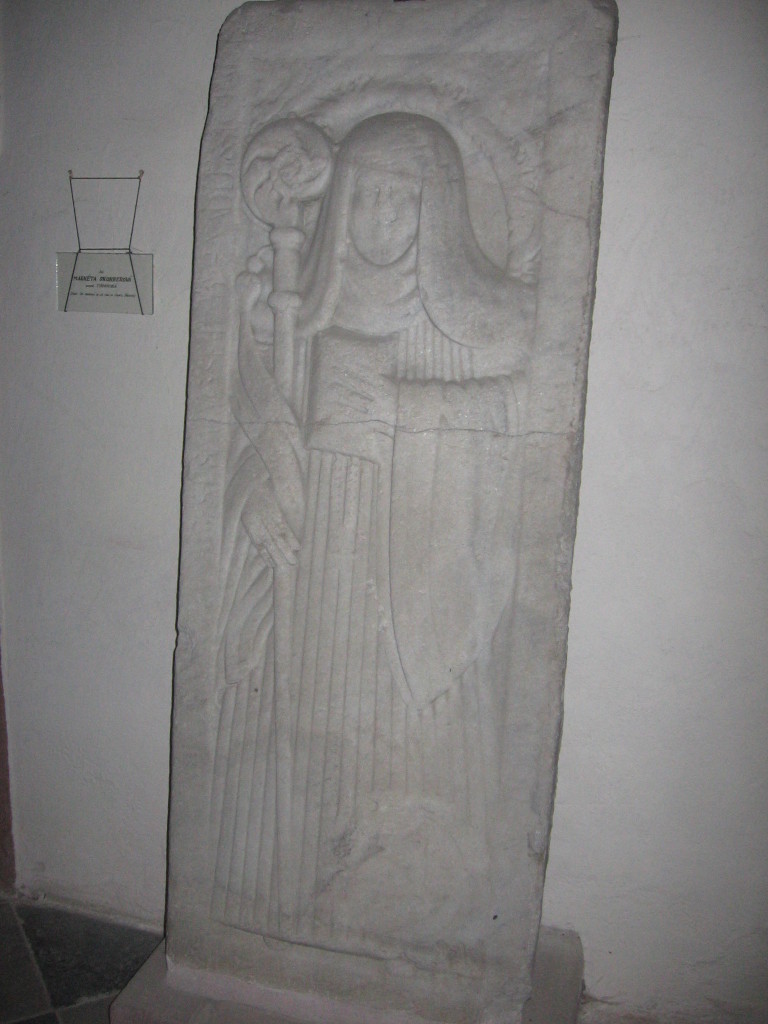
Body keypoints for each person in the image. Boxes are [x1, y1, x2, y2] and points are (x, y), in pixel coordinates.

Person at [212, 113, 534, 953]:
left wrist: (405, 408)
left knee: (406, 747)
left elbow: (524, 411)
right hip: (322, 554)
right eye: (366, 199)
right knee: (316, 733)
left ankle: (411, 900)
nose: (381, 221)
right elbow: (253, 438)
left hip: (420, 563)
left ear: (439, 210)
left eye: (403, 201)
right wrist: (261, 498)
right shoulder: (297, 314)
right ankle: (302, 888)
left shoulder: (484, 319)